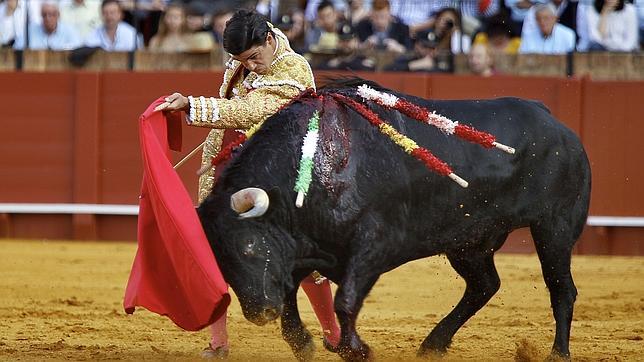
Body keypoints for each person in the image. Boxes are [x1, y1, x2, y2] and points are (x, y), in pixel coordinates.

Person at [153, 9, 341, 358]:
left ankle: (333, 333)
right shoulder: (244, 60)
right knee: (214, 249)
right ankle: (218, 342)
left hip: (283, 179)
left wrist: (192, 106)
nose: (250, 66)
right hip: (234, 168)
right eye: (242, 61)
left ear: (269, 40)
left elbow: (249, 110)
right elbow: (234, 106)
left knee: (306, 260)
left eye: (254, 57)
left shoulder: (293, 70)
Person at [13, 1, 81, 50]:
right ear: (41, 16)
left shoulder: (69, 31)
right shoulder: (29, 32)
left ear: (58, 15)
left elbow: (79, 49)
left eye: (52, 14)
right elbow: (16, 50)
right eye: (44, 14)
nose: (48, 18)